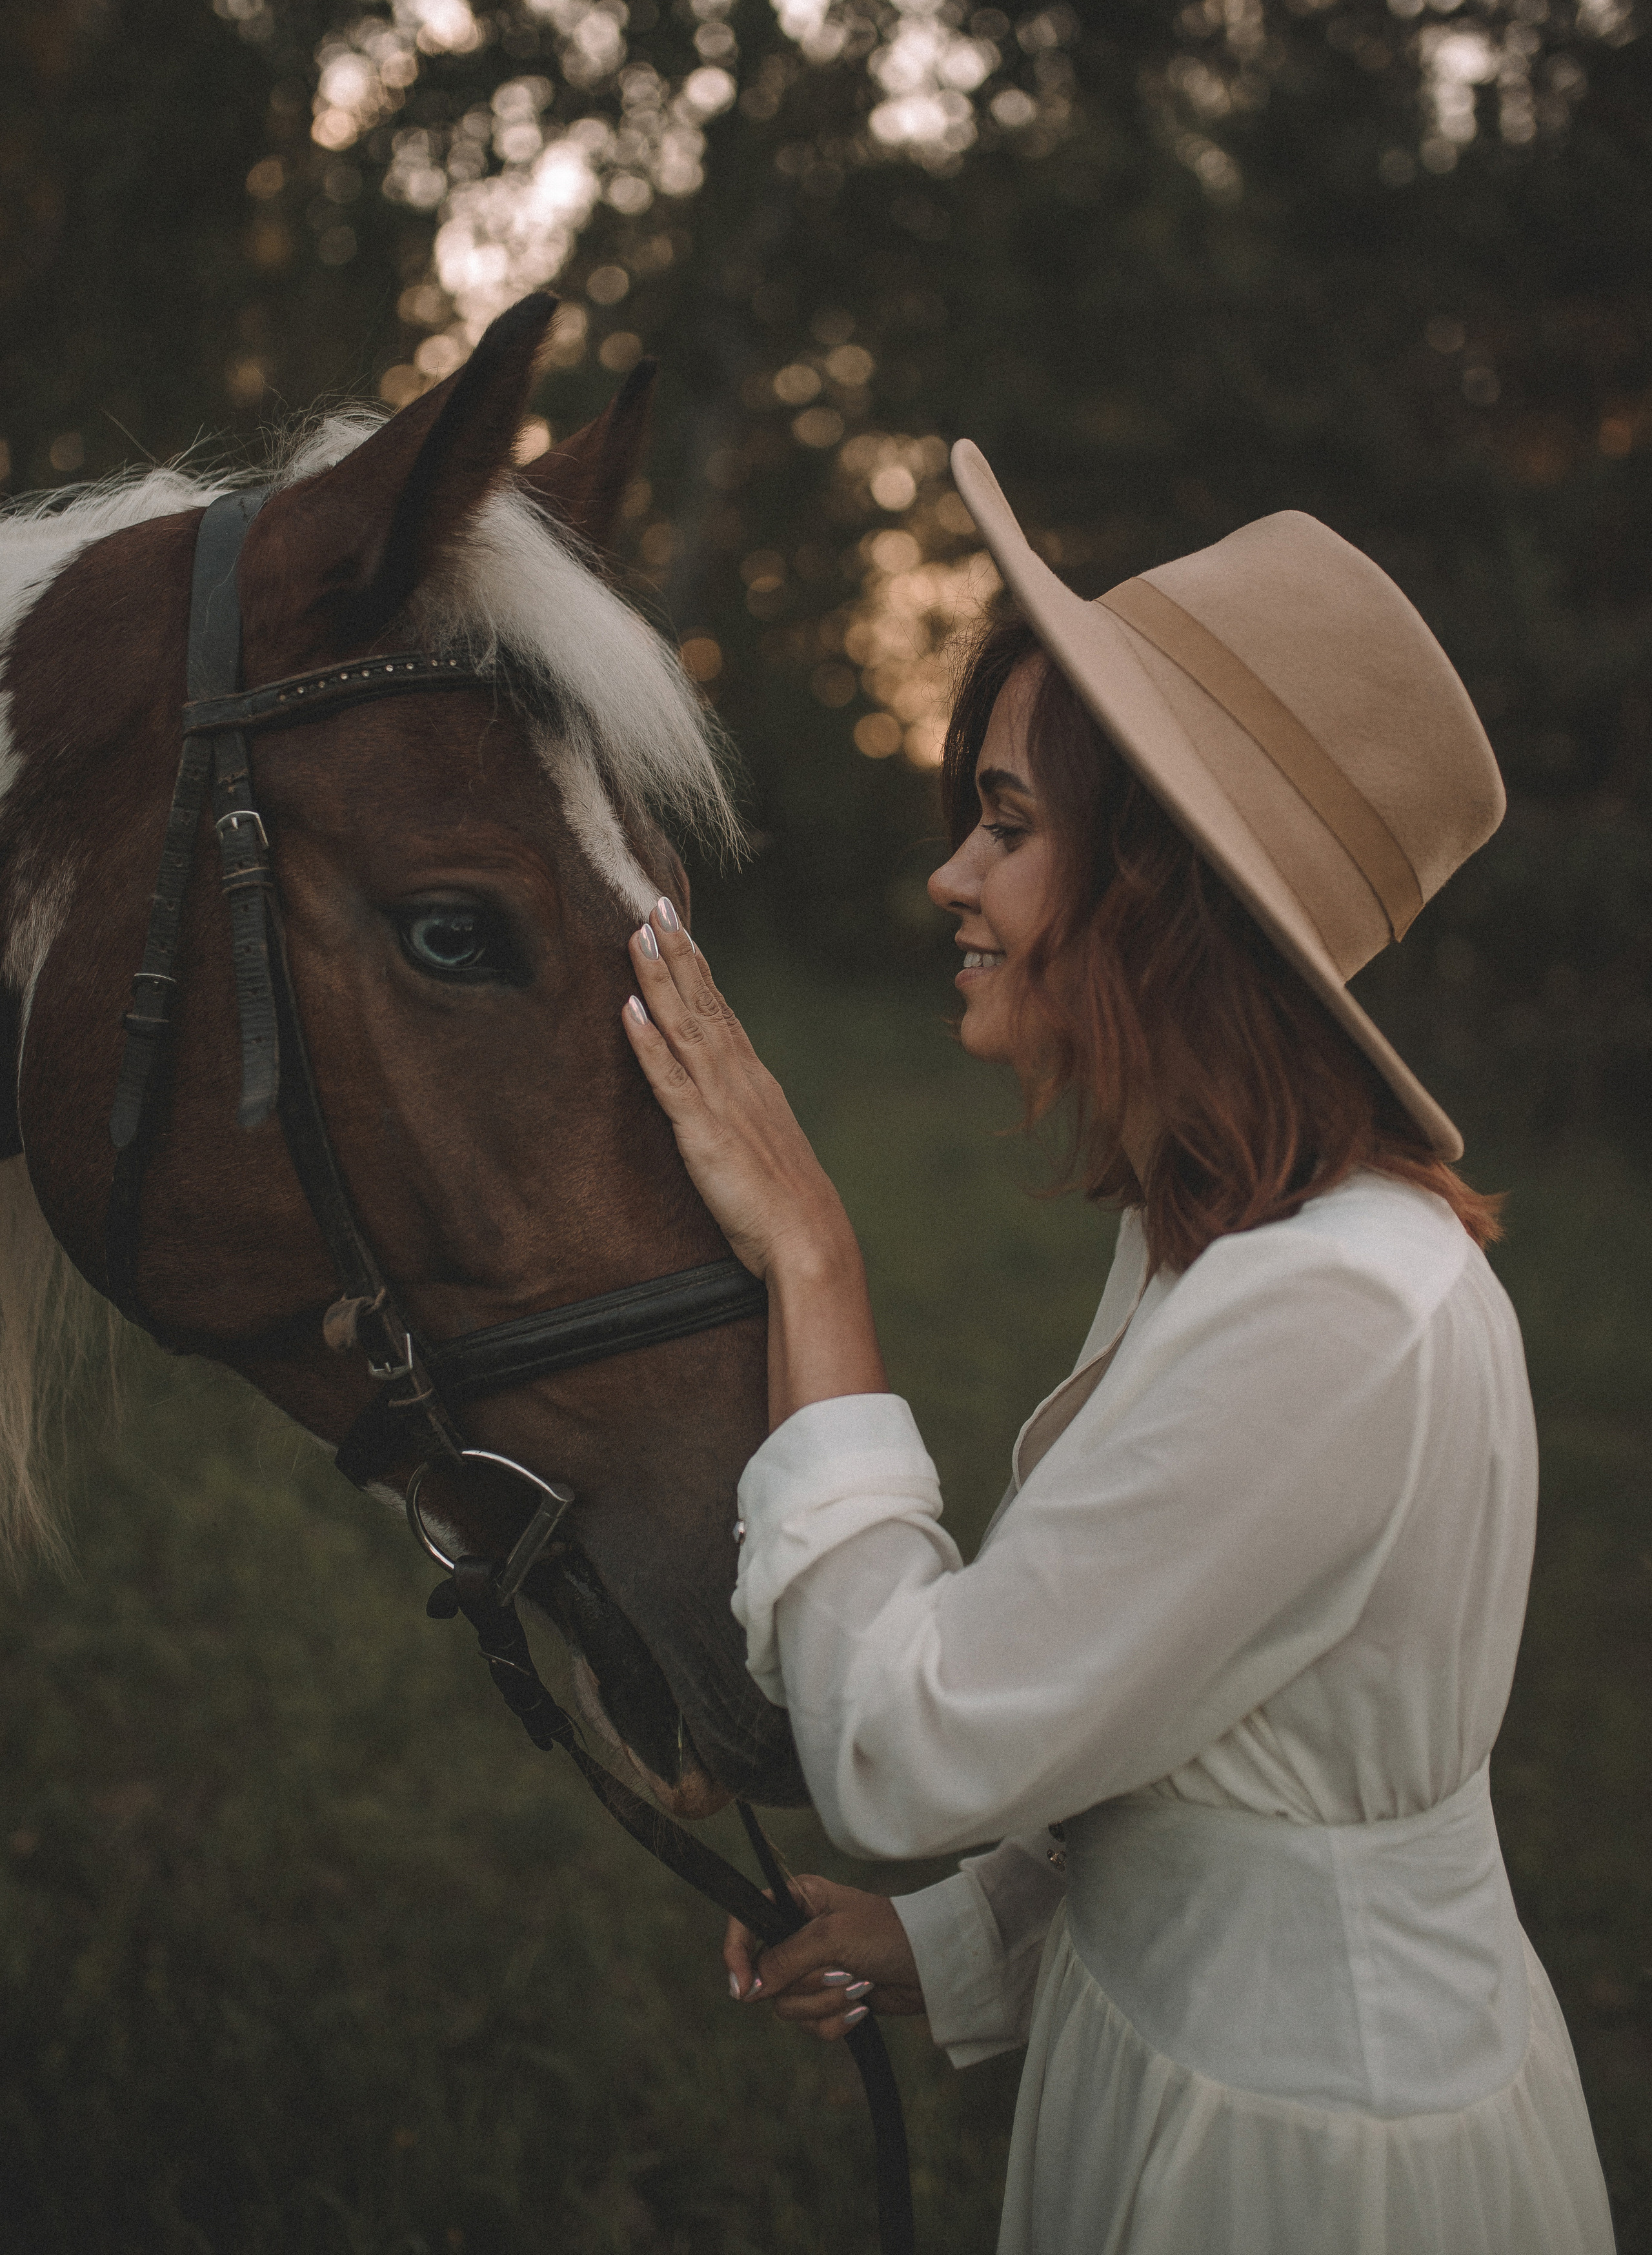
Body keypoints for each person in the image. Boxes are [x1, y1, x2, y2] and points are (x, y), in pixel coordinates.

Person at [619, 441, 1616, 2253]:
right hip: (1171, 2060)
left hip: (1302, 2168)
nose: (950, 878)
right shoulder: (1239, 1240)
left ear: (1162, 888)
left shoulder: (1332, 1311)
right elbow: (1190, 1736)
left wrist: (810, 1257)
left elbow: (913, 1743)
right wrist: (952, 1939)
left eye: (1005, 823)